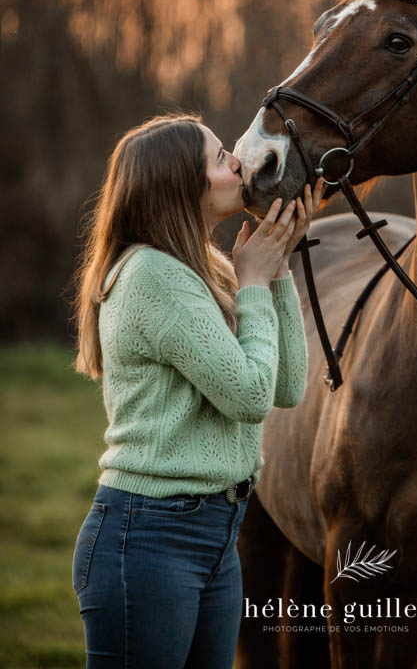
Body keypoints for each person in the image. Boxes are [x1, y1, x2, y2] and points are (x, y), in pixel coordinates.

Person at [71, 113, 323, 669]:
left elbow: (286, 386)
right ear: (181, 186)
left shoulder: (203, 269)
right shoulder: (152, 277)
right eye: (219, 159)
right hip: (149, 538)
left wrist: (274, 268)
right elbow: (252, 396)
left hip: (215, 534)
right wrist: (255, 280)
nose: (238, 160)